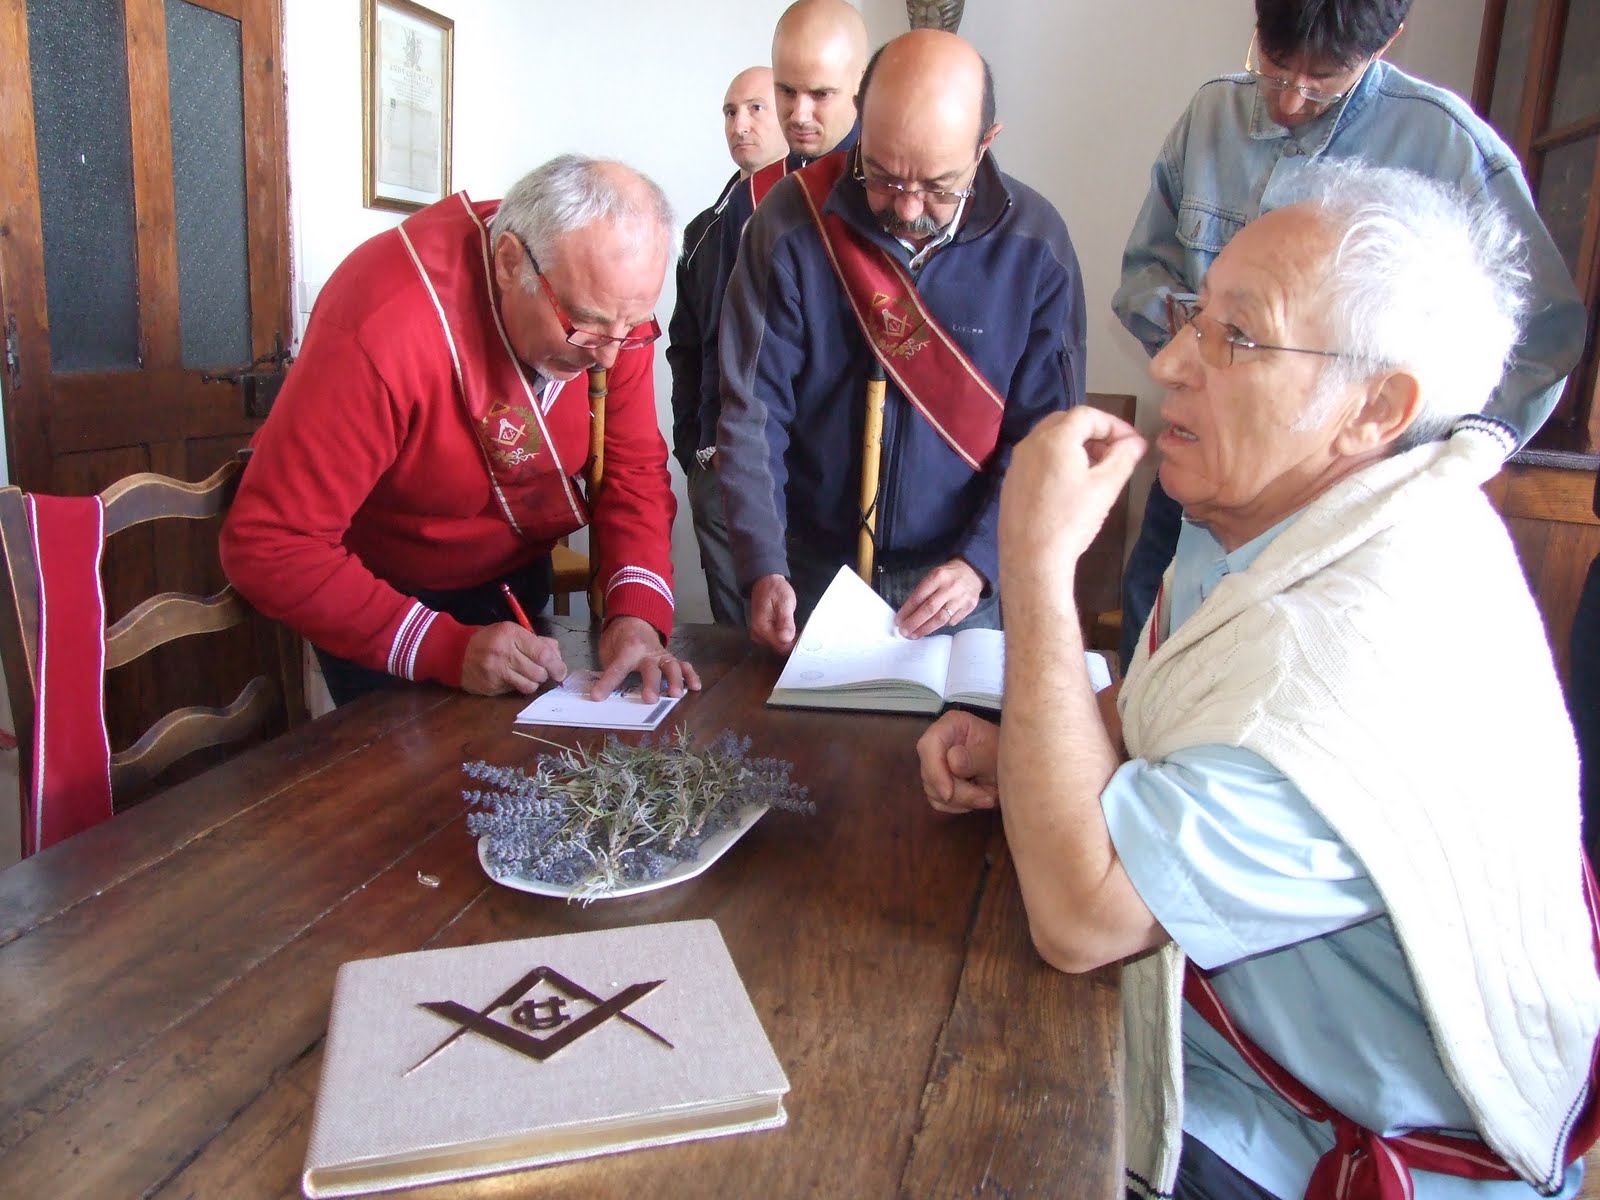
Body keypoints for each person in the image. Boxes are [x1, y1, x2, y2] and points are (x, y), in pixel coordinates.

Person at [918, 161, 1599, 1199]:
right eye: (1195, 314)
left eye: (1238, 336)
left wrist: (1037, 570)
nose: (1174, 359)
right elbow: (1174, 708)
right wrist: (1024, 742)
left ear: (1375, 406)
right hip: (1242, 1054)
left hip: (1303, 1132)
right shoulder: (1287, 503)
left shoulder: (1354, 661)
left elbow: (1081, 915)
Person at [1111, 0, 1586, 671]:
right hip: (1205, 475)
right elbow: (1141, 276)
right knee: (1148, 678)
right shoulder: (1212, 116)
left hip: (1334, 515)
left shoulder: (1449, 147)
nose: (1290, 102)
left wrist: (1452, 461)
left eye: (1323, 81)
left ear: (1389, 39)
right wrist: (1207, 328)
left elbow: (1547, 332)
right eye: (1273, 69)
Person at [221, 157, 700, 706]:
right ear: (508, 262)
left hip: (513, 581)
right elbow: (268, 543)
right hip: (383, 600)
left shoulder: (611, 320)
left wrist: (636, 618)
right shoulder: (384, 318)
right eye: (585, 324)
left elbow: (630, 471)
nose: (610, 360)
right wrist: (445, 647)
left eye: (631, 328)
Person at [717, 29, 1085, 652]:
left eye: (938, 187)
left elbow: (1046, 438)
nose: (908, 210)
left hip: (957, 586)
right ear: (862, 116)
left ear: (985, 144)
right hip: (809, 569)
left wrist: (982, 563)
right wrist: (763, 560)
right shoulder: (790, 222)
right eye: (883, 177)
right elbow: (753, 408)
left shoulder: (1036, 247)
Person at [689, 0, 871, 553]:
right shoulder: (748, 200)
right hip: (770, 475)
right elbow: (714, 343)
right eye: (787, 92)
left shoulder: (897, 186)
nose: (798, 113)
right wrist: (700, 449)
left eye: (820, 94)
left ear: (861, 86)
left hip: (870, 481)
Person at [667, 66, 786, 627]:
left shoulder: (819, 218)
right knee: (735, 631)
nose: (741, 124)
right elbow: (685, 346)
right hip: (716, 458)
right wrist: (691, 442)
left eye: (757, 108)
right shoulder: (702, 232)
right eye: (730, 111)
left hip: (795, 466)